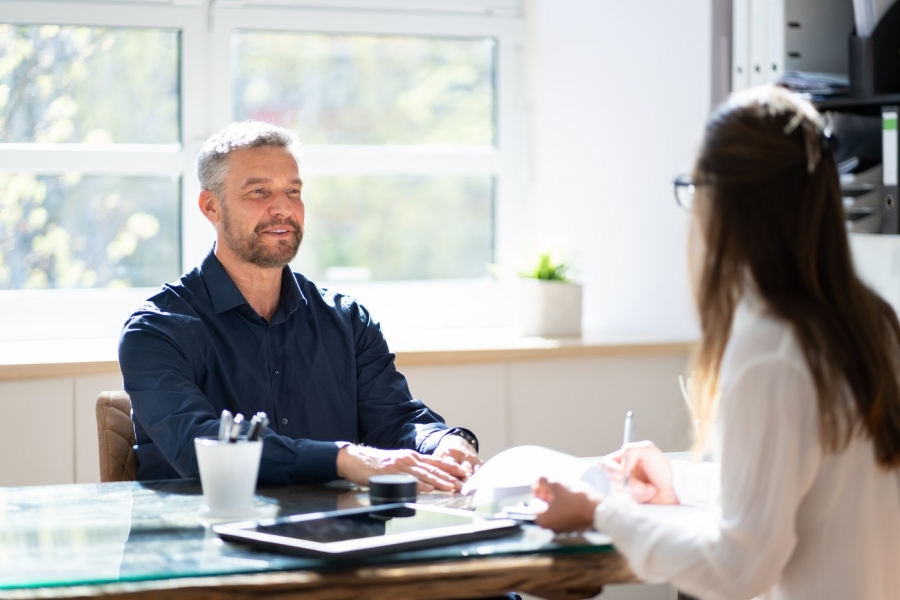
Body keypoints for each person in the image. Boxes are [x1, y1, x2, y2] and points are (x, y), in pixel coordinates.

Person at [533, 85, 900, 599]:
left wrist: (600, 512)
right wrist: (679, 481)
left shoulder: (770, 350)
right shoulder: (873, 323)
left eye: (695, 186)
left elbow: (735, 569)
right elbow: (808, 493)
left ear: (727, 202)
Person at [119, 121, 480, 491]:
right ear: (211, 206)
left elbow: (396, 419)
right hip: (204, 543)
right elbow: (200, 446)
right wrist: (344, 458)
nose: (282, 208)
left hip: (333, 540)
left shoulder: (347, 321)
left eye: (293, 191)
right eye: (259, 191)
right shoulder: (155, 331)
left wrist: (443, 441)